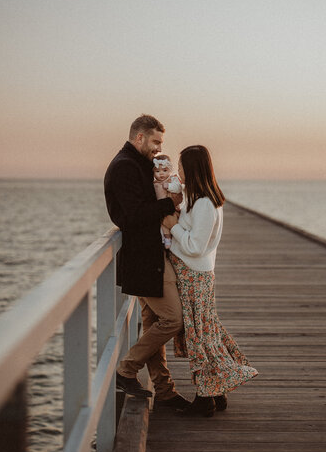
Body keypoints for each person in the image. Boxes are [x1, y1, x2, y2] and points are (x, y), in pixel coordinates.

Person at [163, 145, 259, 417]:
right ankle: (216, 391)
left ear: (192, 168)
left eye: (181, 165)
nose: (177, 170)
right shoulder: (197, 199)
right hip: (194, 273)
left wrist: (173, 225)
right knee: (204, 333)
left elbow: (195, 246)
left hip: (195, 274)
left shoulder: (205, 203)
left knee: (200, 336)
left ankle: (206, 397)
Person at [104, 114, 189, 409]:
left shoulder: (140, 164)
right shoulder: (125, 167)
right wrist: (171, 204)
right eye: (155, 142)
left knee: (153, 322)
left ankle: (165, 392)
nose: (158, 148)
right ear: (139, 137)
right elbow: (131, 216)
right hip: (144, 259)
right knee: (173, 319)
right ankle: (126, 370)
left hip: (151, 255)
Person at [153, 154, 183, 249]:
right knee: (162, 224)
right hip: (160, 208)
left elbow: (178, 188)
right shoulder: (154, 183)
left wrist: (169, 186)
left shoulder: (172, 179)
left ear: (169, 170)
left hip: (172, 207)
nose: (161, 174)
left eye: (165, 170)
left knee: (173, 221)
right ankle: (166, 238)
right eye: (157, 171)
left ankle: (173, 239)